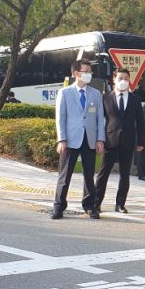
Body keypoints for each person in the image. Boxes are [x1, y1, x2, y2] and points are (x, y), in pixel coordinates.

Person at [51, 59, 105, 219]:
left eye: (90, 71)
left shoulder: (95, 94)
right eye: (85, 71)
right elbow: (60, 118)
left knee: (89, 175)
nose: (89, 74)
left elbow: (99, 119)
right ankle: (59, 206)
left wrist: (100, 139)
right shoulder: (65, 93)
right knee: (64, 176)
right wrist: (62, 140)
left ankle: (89, 206)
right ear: (76, 73)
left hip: (89, 139)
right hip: (70, 139)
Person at [94, 69, 145, 214]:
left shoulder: (135, 99)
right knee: (103, 174)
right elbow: (99, 121)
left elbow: (140, 122)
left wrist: (141, 142)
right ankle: (97, 203)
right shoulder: (105, 98)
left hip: (128, 142)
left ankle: (120, 204)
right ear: (114, 80)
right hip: (109, 141)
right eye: (120, 78)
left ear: (130, 81)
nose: (123, 81)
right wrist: (99, 139)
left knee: (125, 175)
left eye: (126, 79)